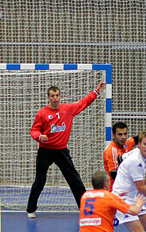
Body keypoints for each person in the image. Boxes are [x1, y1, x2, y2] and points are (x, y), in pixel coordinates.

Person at [26, 81, 106, 218]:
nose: (55, 98)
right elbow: (34, 130)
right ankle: (31, 209)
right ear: (48, 98)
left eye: (57, 95)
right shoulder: (42, 113)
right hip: (45, 151)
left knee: (74, 178)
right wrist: (39, 137)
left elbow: (83, 103)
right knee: (40, 180)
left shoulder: (68, 109)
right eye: (52, 96)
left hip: (61, 151)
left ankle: (84, 207)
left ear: (60, 96)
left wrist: (96, 91)